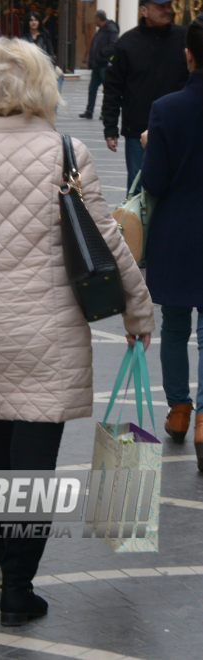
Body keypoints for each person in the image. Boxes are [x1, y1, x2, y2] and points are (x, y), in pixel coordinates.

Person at [0, 37, 154, 626]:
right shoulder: (69, 154)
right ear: (42, 88)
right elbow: (109, 244)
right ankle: (17, 588)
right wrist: (139, 313)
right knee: (35, 462)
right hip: (51, 332)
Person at [140, 15, 203, 470]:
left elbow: (155, 182)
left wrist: (149, 143)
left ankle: (179, 411)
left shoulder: (166, 108)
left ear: (188, 54)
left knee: (175, 327)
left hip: (177, 236)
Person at [102, 0, 189, 194]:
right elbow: (113, 87)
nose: (168, 10)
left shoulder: (184, 38)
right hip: (137, 130)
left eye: (169, 5)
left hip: (178, 128)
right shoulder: (127, 43)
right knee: (138, 188)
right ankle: (137, 226)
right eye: (161, 7)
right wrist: (110, 126)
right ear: (144, 10)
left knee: (177, 186)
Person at [79, 10, 119, 120]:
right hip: (97, 64)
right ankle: (89, 111)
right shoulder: (102, 30)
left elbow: (114, 45)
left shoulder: (110, 30)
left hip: (104, 65)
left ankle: (105, 113)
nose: (94, 21)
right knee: (92, 89)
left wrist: (102, 53)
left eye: (94, 18)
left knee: (107, 89)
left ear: (98, 19)